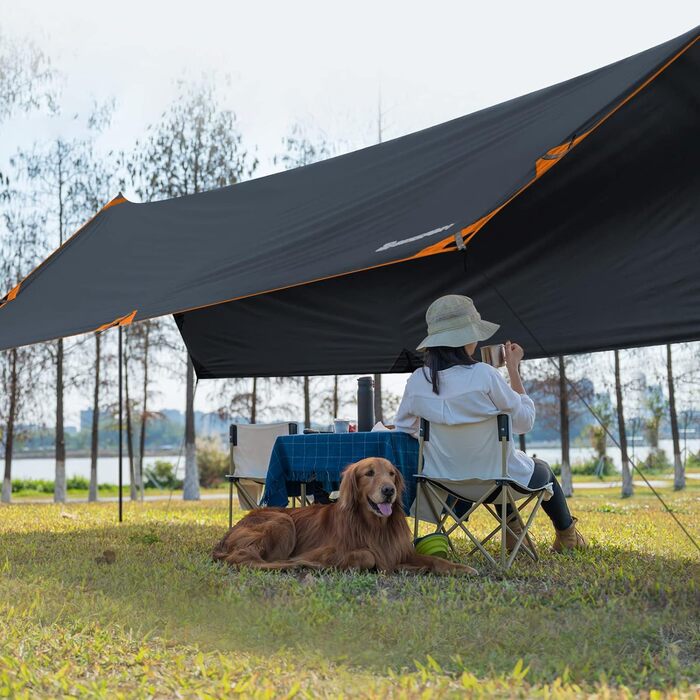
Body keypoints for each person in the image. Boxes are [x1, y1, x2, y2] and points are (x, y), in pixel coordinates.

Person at [394, 294, 586, 552]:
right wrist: (514, 369)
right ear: (466, 338)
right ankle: (568, 537)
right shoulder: (484, 375)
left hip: (443, 483)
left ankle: (514, 533)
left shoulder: (417, 381)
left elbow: (404, 428)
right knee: (538, 469)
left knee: (494, 465)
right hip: (494, 482)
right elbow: (524, 422)